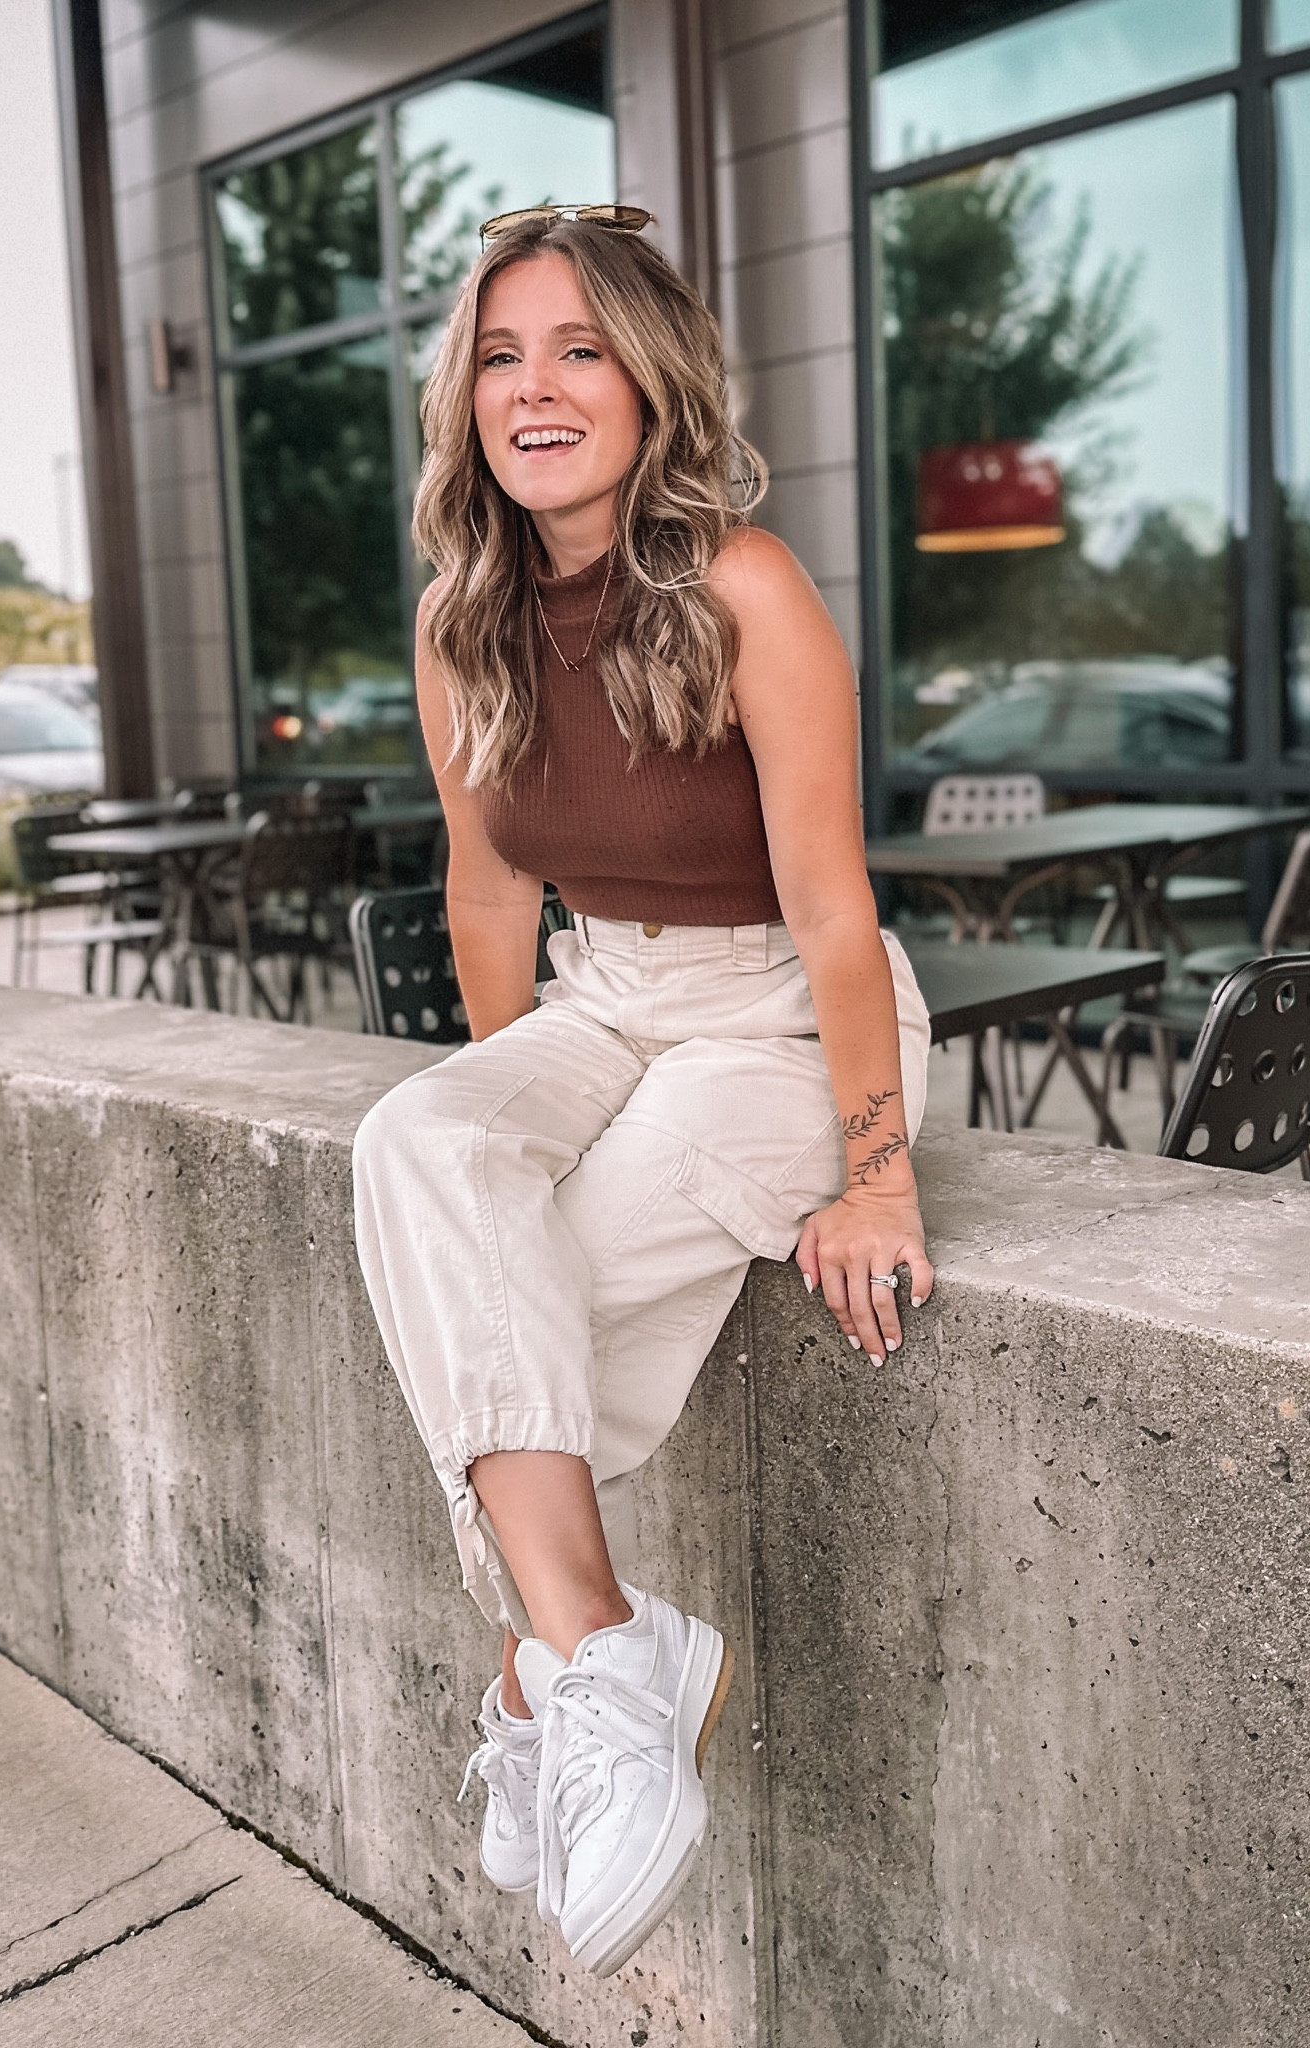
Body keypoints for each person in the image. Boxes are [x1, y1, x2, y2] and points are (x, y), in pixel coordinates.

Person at [351, 203, 932, 1978]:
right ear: (468, 400)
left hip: (778, 1019)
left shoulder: (741, 582)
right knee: (423, 1146)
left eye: (580, 349)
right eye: (504, 354)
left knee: (533, 1323)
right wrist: (516, 1106)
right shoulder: (465, 620)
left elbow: (834, 906)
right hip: (602, 993)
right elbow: (483, 895)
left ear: (649, 378)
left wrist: (881, 1175)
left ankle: (543, 1677)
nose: (539, 388)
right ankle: (607, 1652)